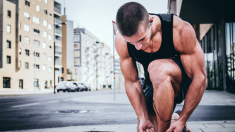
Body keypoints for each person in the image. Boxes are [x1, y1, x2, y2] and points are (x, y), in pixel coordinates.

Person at [115, 2, 207, 132]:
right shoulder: (121, 42)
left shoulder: (178, 29)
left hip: (182, 82)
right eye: (131, 42)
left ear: (151, 21)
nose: (137, 47)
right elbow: (132, 82)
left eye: (141, 39)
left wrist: (183, 120)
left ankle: (177, 118)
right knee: (147, 129)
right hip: (154, 84)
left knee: (157, 68)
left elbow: (200, 77)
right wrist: (143, 118)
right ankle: (173, 119)